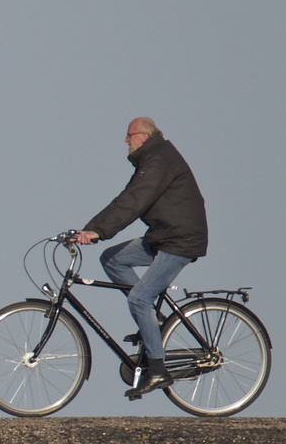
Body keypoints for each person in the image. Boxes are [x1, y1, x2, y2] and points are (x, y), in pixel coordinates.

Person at [74, 117, 208, 399]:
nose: (126, 140)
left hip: (179, 242)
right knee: (112, 259)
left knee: (139, 298)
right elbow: (126, 198)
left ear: (144, 137)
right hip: (163, 236)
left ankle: (158, 370)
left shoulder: (159, 160)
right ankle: (156, 323)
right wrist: (91, 229)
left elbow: (135, 201)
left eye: (129, 135)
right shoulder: (152, 160)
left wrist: (97, 231)